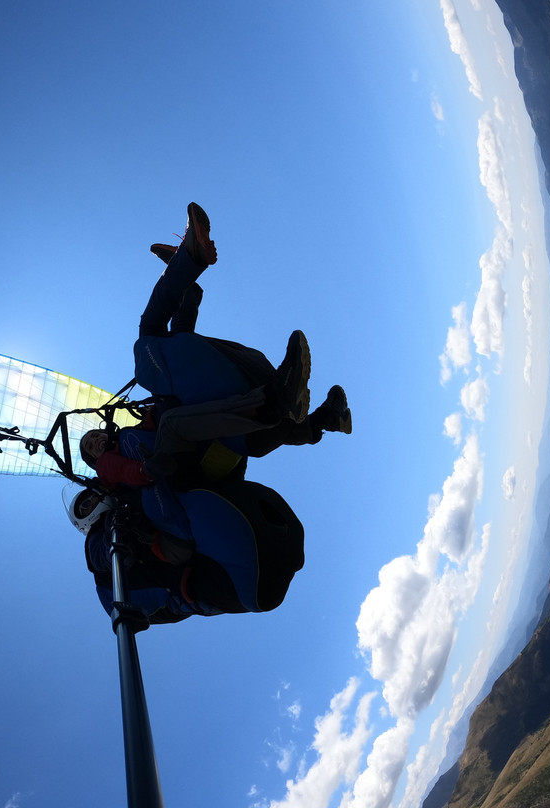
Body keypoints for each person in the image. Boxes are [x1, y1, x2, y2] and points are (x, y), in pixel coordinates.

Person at [81, 202, 351, 485]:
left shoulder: (131, 435)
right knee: (150, 343)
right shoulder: (107, 464)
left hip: (201, 432)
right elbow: (124, 472)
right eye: (90, 446)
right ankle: (185, 269)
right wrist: (145, 471)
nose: (96, 441)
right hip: (178, 458)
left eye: (93, 436)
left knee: (180, 344)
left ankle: (327, 419)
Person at [67, 478, 305, 623]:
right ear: (83, 522)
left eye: (90, 497)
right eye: (85, 507)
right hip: (201, 579)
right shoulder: (98, 539)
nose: (92, 502)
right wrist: (117, 528)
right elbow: (102, 557)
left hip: (232, 549)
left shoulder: (128, 496)